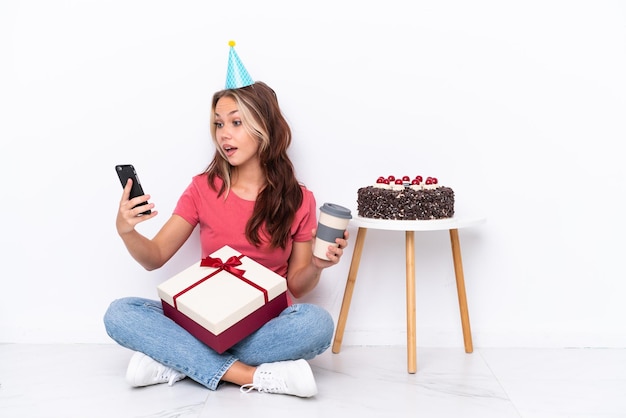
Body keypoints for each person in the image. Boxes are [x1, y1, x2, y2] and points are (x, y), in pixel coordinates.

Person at [103, 43, 349, 398]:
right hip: (202, 320)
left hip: (261, 324)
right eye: (219, 123)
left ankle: (175, 361)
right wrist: (127, 231)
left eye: (236, 122)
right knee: (120, 313)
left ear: (264, 127)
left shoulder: (299, 199)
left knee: (316, 325)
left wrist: (318, 264)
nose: (223, 133)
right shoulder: (202, 189)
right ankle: (250, 374)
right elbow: (154, 256)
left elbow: (298, 284)